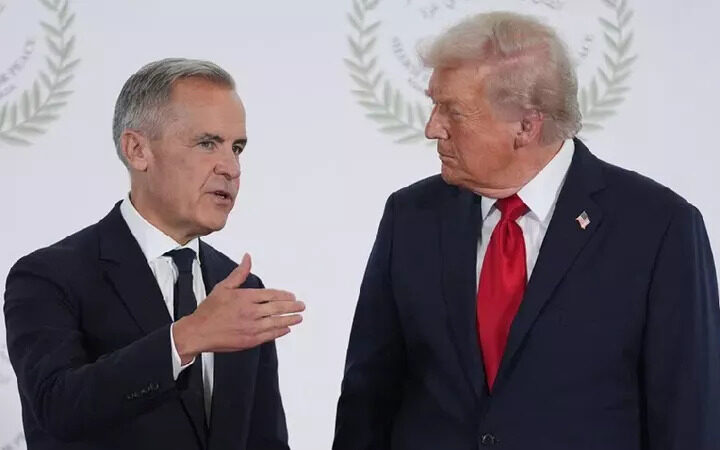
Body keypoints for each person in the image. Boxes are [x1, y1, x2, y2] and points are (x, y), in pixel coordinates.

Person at [334, 12, 720, 450]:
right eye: (434, 105)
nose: (432, 128)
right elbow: (367, 402)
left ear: (526, 126)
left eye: (453, 111)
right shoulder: (410, 217)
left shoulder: (658, 229)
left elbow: (688, 418)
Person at [4, 58, 305, 450]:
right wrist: (186, 337)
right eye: (208, 143)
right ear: (137, 150)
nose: (231, 168)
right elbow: (57, 408)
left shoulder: (242, 291)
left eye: (237, 148)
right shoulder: (49, 276)